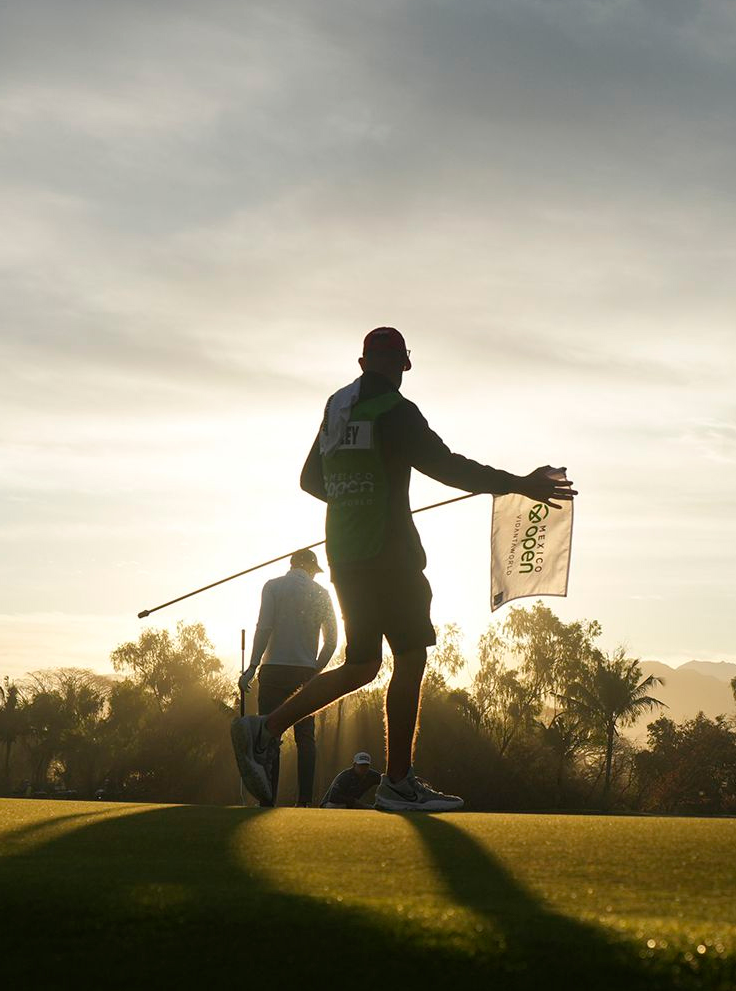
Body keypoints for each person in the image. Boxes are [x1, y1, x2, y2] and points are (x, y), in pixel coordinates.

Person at [231, 327, 575, 812]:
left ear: (361, 362)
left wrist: (354, 500)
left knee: (363, 664)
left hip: (345, 554)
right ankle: (396, 783)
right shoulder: (397, 411)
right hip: (388, 554)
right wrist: (521, 484)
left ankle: (263, 729)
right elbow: (449, 467)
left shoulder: (337, 407)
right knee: (411, 656)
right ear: (404, 365)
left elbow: (311, 479)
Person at [239, 547, 339, 807]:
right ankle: (305, 802)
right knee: (305, 738)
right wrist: (315, 672)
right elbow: (332, 642)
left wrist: (252, 666)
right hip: (305, 673)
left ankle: (267, 801)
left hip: (272, 670)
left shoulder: (272, 586)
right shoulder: (322, 594)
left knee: (269, 735)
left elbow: (264, 628)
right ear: (309, 568)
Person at [318, 751, 382, 809]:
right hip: (329, 804)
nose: (363, 768)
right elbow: (333, 797)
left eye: (366, 766)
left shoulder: (371, 775)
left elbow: (385, 782)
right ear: (354, 765)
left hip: (350, 804)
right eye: (361, 765)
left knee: (357, 806)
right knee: (335, 806)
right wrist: (352, 801)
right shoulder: (345, 777)